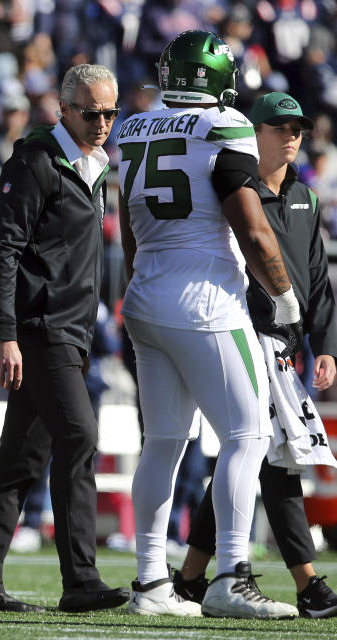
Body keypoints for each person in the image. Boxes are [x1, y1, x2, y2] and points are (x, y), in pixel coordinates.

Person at [118, 30, 300, 619]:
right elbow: (251, 227)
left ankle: (151, 583)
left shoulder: (134, 126)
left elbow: (126, 223)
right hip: (205, 300)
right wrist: (285, 295)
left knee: (163, 443)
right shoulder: (224, 125)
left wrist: (137, 284)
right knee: (248, 436)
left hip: (145, 292)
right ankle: (230, 577)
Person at [0, 63, 128, 614]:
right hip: (41, 330)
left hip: (70, 333)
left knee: (19, 462)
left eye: (110, 113)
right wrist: (4, 333)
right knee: (78, 438)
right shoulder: (36, 162)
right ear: (64, 110)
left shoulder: (92, 166)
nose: (102, 123)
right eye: (92, 112)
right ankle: (80, 581)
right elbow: (1, 249)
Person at [173, 92, 337, 619]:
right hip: (239, 336)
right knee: (274, 456)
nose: (290, 136)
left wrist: (325, 346)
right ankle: (308, 584)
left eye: (297, 129)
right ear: (253, 132)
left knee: (244, 458)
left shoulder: (307, 200)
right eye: (278, 127)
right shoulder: (229, 193)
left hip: (285, 348)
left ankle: (191, 578)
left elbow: (317, 282)